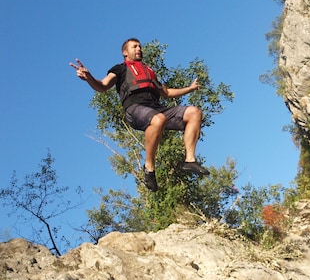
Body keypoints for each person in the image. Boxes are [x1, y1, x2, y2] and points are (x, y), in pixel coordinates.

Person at [70, 38, 209, 192]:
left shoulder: (149, 71)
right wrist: (89, 78)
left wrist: (189, 88)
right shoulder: (120, 69)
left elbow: (167, 93)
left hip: (156, 108)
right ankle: (149, 167)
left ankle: (189, 160)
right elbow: (102, 86)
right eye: (134, 46)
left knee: (194, 112)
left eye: (140, 46)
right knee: (158, 119)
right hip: (135, 108)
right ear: (125, 52)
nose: (139, 49)